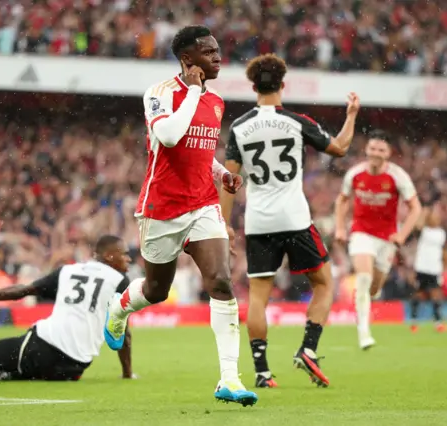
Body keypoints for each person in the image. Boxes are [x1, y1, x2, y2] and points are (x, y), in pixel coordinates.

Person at [102, 25, 257, 406]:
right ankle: (120, 307)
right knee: (155, 291)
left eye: (219, 50)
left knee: (221, 281)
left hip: (203, 204)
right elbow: (170, 137)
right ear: (188, 59)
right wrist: (190, 91)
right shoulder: (159, 94)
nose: (218, 57)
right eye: (209, 52)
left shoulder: (217, 101)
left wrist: (222, 174)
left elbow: (201, 153)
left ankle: (229, 379)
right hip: (162, 207)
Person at [219, 53, 360, 388]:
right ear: (283, 85)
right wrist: (351, 115)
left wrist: (224, 223)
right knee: (324, 283)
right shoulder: (297, 122)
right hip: (295, 218)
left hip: (259, 222)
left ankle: (262, 372)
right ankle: (308, 349)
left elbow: (229, 179)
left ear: (253, 87)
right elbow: (339, 147)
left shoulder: (240, 128)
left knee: (258, 297)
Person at [0, 235, 135, 384]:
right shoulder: (121, 281)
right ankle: (4, 374)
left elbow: (24, 291)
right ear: (109, 256)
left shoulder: (67, 271)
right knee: (27, 368)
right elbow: (122, 334)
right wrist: (127, 373)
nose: (129, 259)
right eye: (125, 254)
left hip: (42, 347)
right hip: (74, 366)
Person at [334, 130, 422, 350]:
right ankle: (364, 333)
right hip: (361, 233)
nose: (375, 153)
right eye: (372, 148)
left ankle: (370, 295)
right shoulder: (354, 174)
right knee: (363, 278)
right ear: (366, 150)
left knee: (373, 288)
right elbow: (342, 200)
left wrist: (402, 235)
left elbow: (415, 207)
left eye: (381, 150)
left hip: (387, 239)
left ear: (389, 153)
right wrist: (339, 228)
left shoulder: (398, 176)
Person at [410, 205, 447, 332]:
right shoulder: (424, 231)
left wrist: (446, 265)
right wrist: (423, 213)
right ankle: (414, 322)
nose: (437, 218)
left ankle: (438, 323)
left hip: (434, 268)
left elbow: (444, 251)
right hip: (422, 267)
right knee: (420, 293)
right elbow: (418, 225)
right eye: (434, 215)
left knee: (436, 294)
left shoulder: (441, 233)